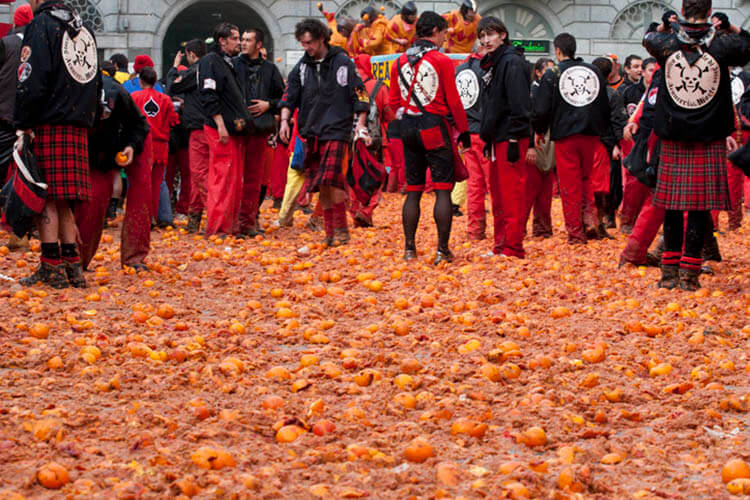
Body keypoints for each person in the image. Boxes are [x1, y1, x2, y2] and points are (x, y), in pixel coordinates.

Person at [643, 1, 750, 290]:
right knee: (700, 209)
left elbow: (648, 37)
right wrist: (730, 26)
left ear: (683, 9)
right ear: (709, 9)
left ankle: (668, 273)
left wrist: (667, 22)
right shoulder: (722, 45)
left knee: (672, 207)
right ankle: (689, 275)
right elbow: (748, 45)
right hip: (709, 135)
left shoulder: (667, 42)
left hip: (675, 135)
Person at [15, 0, 100, 288]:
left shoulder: (42, 24)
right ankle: (72, 266)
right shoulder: (82, 27)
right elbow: (94, 80)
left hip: (48, 120)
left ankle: (51, 267)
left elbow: (32, 77)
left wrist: (23, 120)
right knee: (64, 200)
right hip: (78, 122)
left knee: (45, 196)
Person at [280, 18, 370, 246]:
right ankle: (331, 232)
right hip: (312, 130)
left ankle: (340, 231)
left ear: (321, 38)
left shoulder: (343, 62)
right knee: (322, 184)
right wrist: (284, 120)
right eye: (303, 43)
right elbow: (289, 95)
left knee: (333, 180)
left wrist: (360, 123)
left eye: (309, 42)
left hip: (337, 128)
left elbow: (359, 92)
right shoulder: (301, 67)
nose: (306, 47)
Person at [389, 11, 470, 263]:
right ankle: (441, 250)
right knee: (443, 190)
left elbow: (393, 102)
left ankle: (409, 249)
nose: (446, 37)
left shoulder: (399, 61)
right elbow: (454, 101)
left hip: (408, 129)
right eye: (444, 33)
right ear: (435, 31)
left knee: (413, 191)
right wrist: (464, 131)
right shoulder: (441, 60)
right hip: (434, 128)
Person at [533, 33, 611, 244]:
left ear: (558, 51)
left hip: (566, 134)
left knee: (569, 185)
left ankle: (575, 233)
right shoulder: (593, 71)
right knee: (586, 178)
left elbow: (541, 109)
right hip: (591, 133)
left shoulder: (553, 74)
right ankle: (590, 220)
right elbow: (604, 103)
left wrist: (539, 130)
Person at [76, 66, 150, 271]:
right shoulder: (64, 90)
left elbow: (139, 125)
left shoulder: (116, 93)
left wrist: (131, 146)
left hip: (102, 157)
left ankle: (79, 262)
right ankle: (58, 258)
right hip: (73, 152)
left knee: (93, 205)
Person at [477, 16, 533, 258]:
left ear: (502, 34)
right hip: (497, 136)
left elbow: (519, 104)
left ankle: (513, 247)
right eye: (482, 36)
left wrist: (514, 138)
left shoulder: (511, 63)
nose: (486, 40)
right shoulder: (494, 63)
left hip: (510, 137)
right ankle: (501, 245)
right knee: (498, 195)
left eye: (490, 34)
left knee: (512, 195)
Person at [198, 23, 250, 237]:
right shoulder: (211, 62)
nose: (239, 42)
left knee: (234, 179)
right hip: (221, 130)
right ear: (222, 40)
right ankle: (218, 228)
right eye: (236, 38)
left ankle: (230, 225)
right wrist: (220, 125)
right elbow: (208, 94)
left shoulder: (228, 63)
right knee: (222, 177)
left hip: (234, 129)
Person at [235, 28, 285, 237]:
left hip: (259, 129)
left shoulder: (270, 70)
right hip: (237, 129)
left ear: (259, 45)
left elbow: (283, 98)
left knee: (255, 178)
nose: (243, 43)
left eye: (248, 40)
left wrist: (268, 105)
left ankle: (249, 219)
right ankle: (236, 220)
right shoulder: (234, 65)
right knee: (236, 177)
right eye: (242, 39)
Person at [168, 38, 208, 233]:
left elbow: (173, 87)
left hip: (198, 129)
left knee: (199, 174)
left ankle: (215, 214)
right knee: (195, 175)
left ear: (191, 54)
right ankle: (194, 219)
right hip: (206, 127)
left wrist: (175, 67)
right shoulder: (209, 70)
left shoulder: (196, 71)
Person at [350, 54, 395, 227]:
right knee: (376, 176)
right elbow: (389, 115)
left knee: (352, 177)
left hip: (350, 138)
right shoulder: (379, 87)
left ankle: (356, 211)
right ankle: (367, 210)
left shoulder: (348, 85)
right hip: (373, 139)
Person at [132, 67, 179, 227]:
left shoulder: (134, 97)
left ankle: (143, 218)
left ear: (140, 81)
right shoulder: (165, 99)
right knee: (159, 182)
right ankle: (160, 217)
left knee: (140, 181)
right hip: (160, 145)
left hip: (142, 144)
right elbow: (173, 120)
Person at [454, 44, 489, 240]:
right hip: (486, 133)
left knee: (474, 185)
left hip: (467, 133)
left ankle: (475, 230)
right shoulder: (488, 70)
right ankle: (504, 229)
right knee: (495, 185)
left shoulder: (460, 70)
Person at [591, 57, 626, 240]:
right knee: (603, 186)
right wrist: (616, 145)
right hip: (604, 146)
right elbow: (617, 122)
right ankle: (600, 223)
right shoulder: (611, 94)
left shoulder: (587, 93)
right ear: (610, 73)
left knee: (588, 185)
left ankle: (588, 222)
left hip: (587, 142)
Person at [0, 4, 33, 184]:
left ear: (15, 22)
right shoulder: (40, 45)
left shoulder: (6, 43)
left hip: (4, 116)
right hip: (31, 120)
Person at [525, 57, 556, 239]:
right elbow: (529, 118)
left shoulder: (551, 92)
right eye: (547, 71)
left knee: (546, 190)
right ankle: (519, 227)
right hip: (534, 143)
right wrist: (530, 145)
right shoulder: (532, 92)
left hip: (549, 141)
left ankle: (543, 229)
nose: (551, 75)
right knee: (529, 189)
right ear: (538, 72)